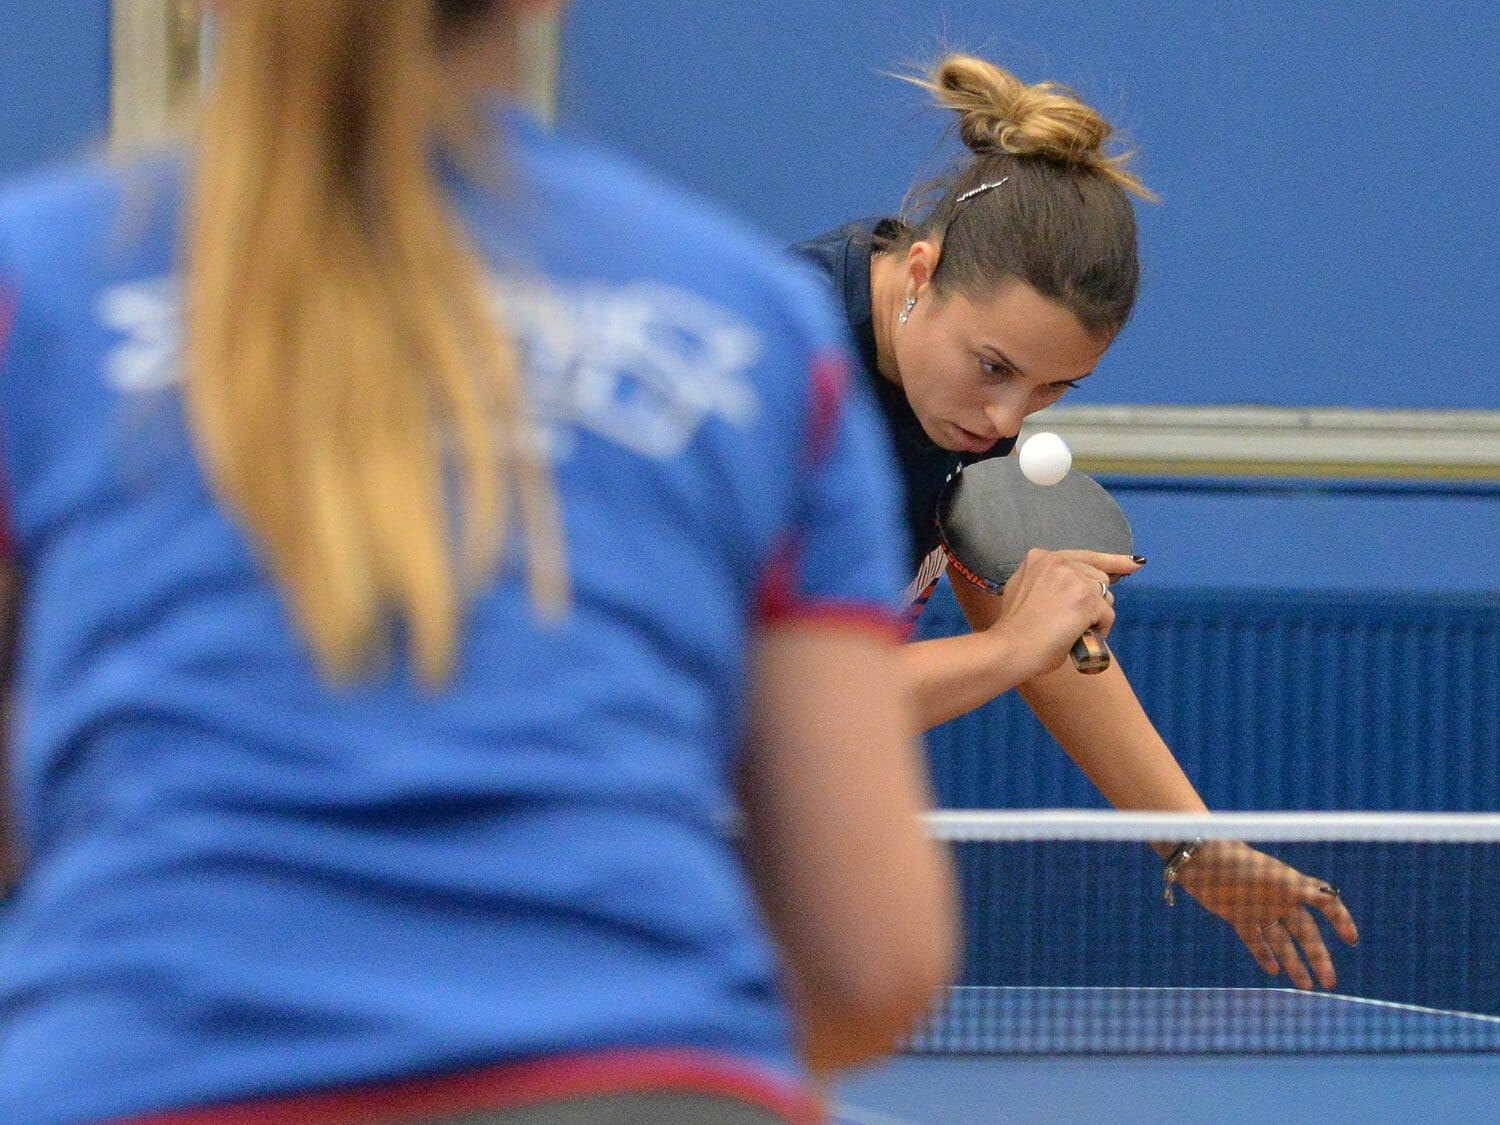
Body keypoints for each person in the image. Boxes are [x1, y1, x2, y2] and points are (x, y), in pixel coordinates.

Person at [0, 2, 955, 1121]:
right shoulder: (759, 329)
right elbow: (867, 967)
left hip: (136, 1076)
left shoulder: (33, 285)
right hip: (640, 1078)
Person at [793, 54, 1360, 991]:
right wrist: (1006, 648)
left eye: (1054, 387)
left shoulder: (957, 402)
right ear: (921, 274)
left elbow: (1032, 623)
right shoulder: (780, 374)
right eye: (993, 367)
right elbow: (775, 706)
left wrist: (1194, 845)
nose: (1007, 419)